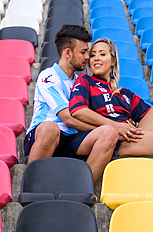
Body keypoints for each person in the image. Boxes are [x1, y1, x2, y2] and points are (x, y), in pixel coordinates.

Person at [23, 24, 119, 181]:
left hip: (72, 138)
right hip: (44, 136)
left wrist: (115, 127)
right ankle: (32, 184)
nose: (88, 57)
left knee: (109, 133)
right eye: (83, 52)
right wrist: (102, 125)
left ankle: (82, 187)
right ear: (67, 53)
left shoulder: (82, 82)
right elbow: (67, 118)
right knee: (50, 128)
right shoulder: (49, 76)